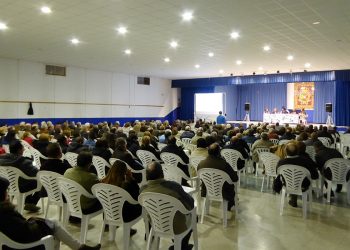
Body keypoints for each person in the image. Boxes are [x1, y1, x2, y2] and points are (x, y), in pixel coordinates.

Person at [0, 176, 100, 250]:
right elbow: (26, 232)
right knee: (54, 226)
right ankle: (80, 247)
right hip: (24, 244)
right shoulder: (5, 212)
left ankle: (80, 247)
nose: (8, 192)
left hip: (10, 242)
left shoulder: (4, 212)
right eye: (7, 190)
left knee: (52, 223)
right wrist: (36, 223)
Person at [141, 162, 194, 250]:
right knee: (193, 217)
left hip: (156, 223)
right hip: (176, 227)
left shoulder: (143, 190)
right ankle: (182, 246)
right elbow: (190, 205)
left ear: (146, 175)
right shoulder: (174, 186)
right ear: (162, 173)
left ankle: (177, 244)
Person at [101, 160, 140, 235]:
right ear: (124, 172)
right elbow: (137, 197)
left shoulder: (103, 183)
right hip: (124, 216)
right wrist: (131, 178)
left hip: (108, 213)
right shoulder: (125, 185)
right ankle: (128, 228)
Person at [0, 140, 41, 212]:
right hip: (21, 186)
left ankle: (28, 203)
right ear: (19, 150)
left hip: (8, 186)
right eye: (23, 148)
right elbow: (37, 174)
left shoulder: (2, 160)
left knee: (27, 179)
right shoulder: (24, 162)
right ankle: (31, 203)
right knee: (42, 181)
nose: (24, 149)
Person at [275, 142, 319, 207]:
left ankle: (293, 199)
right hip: (303, 184)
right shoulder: (305, 161)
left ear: (286, 151)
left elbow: (277, 173)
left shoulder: (281, 162)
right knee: (298, 179)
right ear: (297, 151)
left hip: (287, 183)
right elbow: (315, 175)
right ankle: (294, 199)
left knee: (292, 179)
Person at [197, 143, 238, 210]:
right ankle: (229, 206)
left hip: (207, 190)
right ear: (219, 152)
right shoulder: (224, 164)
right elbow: (235, 178)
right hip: (224, 192)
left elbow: (200, 178)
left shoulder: (201, 164)